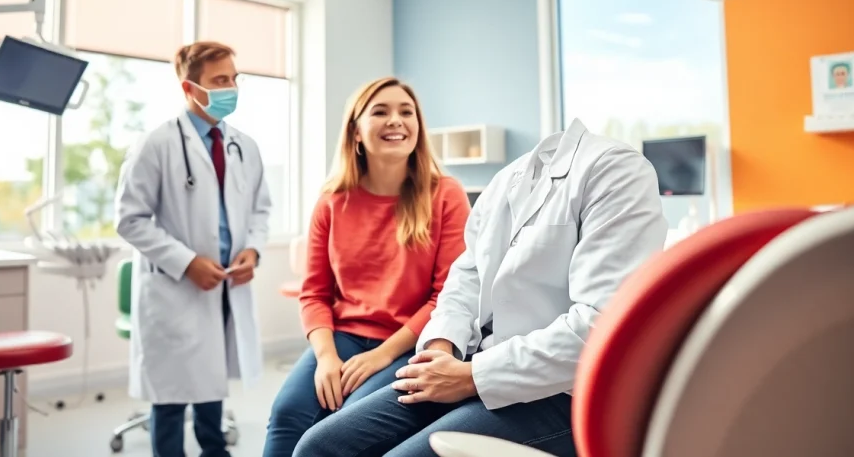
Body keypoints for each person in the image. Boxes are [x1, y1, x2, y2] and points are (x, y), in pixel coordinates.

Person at [291, 118, 668, 457]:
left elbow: (600, 327)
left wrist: (470, 378)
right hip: (472, 362)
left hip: (564, 391)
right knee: (320, 445)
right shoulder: (508, 181)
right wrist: (442, 348)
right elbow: (466, 279)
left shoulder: (616, 172)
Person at [262, 77, 471, 457]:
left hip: (411, 341)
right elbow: (315, 293)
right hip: (344, 337)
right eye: (381, 111)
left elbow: (448, 297)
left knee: (344, 423)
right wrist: (326, 356)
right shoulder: (332, 201)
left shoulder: (446, 194)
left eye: (406, 112)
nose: (396, 120)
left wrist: (383, 354)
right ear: (356, 132)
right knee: (287, 413)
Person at [115, 41, 271, 457]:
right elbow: (129, 219)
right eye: (220, 80)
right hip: (174, 288)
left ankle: (213, 449)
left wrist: (252, 252)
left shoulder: (244, 145)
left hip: (227, 283)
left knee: (211, 381)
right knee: (170, 394)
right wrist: (186, 264)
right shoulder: (155, 144)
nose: (231, 88)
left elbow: (261, 209)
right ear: (190, 87)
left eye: (234, 79)